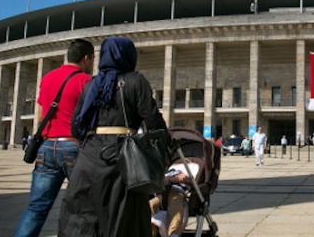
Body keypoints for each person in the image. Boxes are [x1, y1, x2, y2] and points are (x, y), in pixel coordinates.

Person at [59, 37, 168, 237]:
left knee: (85, 212)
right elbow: (152, 119)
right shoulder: (135, 80)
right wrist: (164, 146)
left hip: (89, 156)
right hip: (122, 158)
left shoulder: (91, 85)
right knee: (124, 214)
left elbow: (76, 126)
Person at [14, 39, 94, 237]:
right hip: (73, 147)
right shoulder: (85, 81)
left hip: (47, 147)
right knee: (85, 206)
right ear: (86, 58)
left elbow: (41, 114)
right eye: (92, 59)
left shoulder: (48, 78)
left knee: (37, 207)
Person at [149, 167, 193, 237]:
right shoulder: (157, 173)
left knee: (176, 206)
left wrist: (173, 179)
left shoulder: (176, 171)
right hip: (160, 194)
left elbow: (187, 179)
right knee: (150, 205)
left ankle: (174, 233)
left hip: (176, 192)